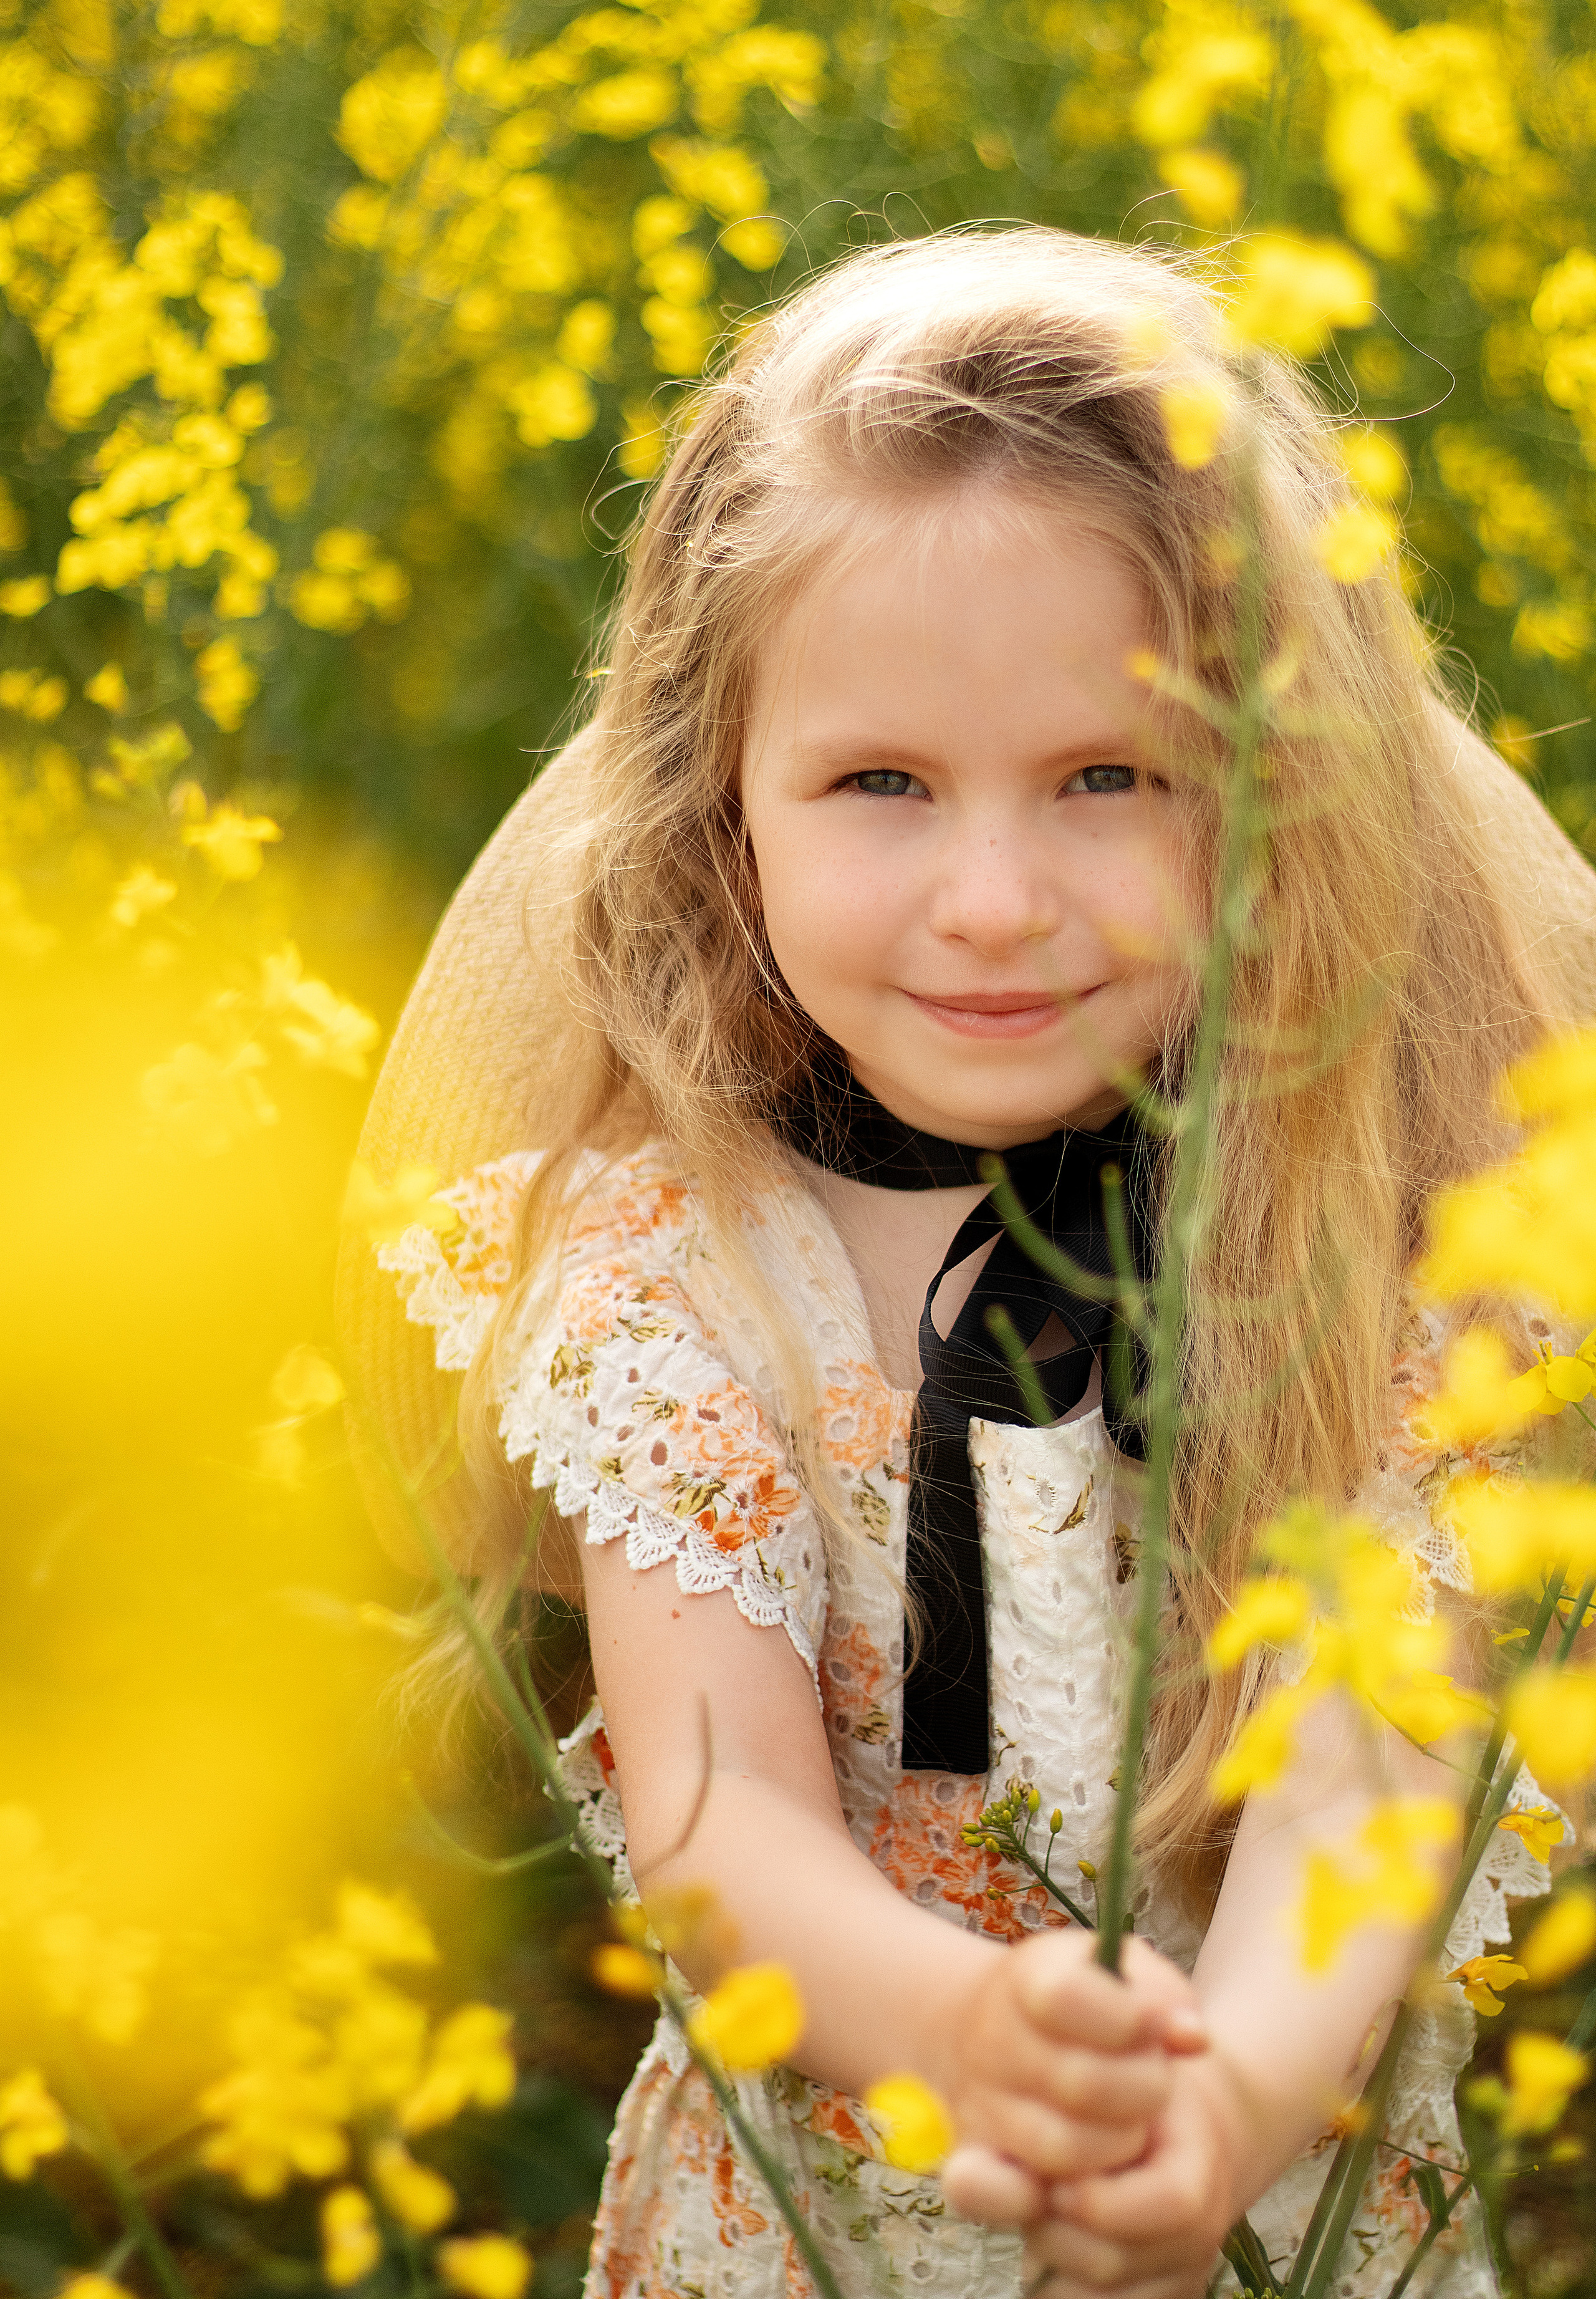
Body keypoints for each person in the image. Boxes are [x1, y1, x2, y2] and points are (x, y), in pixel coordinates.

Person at [346, 227, 1595, 2299]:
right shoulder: (679, 1276)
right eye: (882, 788)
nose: (995, 899)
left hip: (1283, 2184)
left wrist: (1220, 2113)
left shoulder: (1392, 1266)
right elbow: (720, 1806)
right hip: (829, 2221)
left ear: (1286, 798)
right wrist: (962, 2038)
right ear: (715, 810)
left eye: (1112, 779)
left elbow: (1368, 1786)